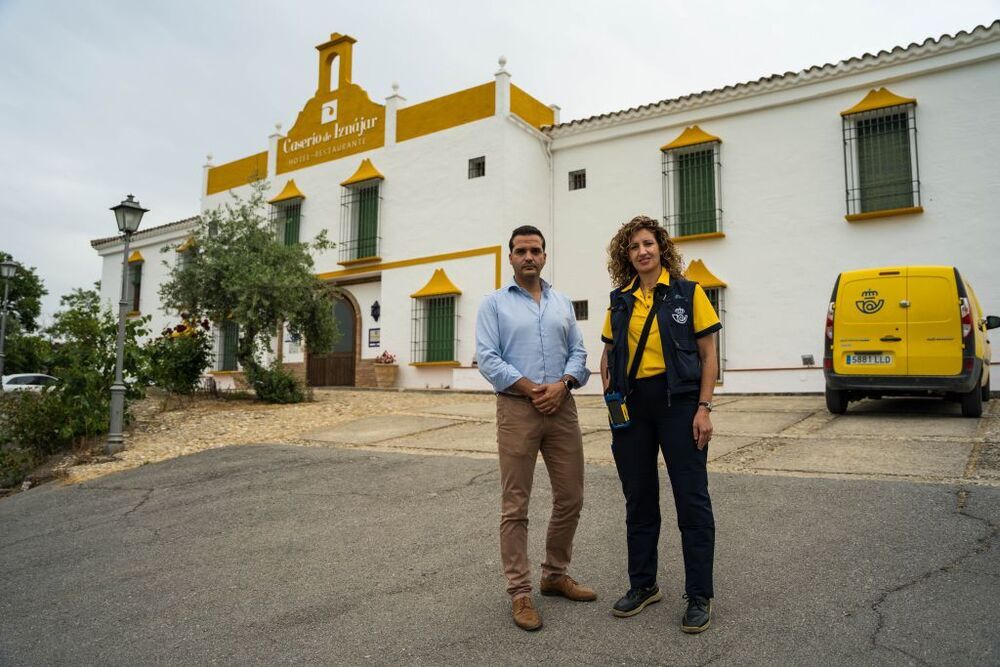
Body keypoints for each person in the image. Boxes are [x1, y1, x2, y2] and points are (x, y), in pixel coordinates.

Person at [599, 215, 721, 633]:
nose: (642, 251)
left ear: (661, 248)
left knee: (691, 499)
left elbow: (709, 355)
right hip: (634, 409)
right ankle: (643, 585)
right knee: (639, 499)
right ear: (626, 255)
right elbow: (609, 353)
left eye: (648, 243)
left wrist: (704, 407)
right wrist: (611, 397)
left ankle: (699, 595)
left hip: (680, 404)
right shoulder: (619, 300)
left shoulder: (689, 294)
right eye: (634, 247)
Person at [475, 225, 594, 631]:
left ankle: (555, 574)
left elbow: (580, 353)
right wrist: (532, 389)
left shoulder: (561, 302)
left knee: (571, 496)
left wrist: (562, 386)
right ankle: (520, 592)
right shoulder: (493, 305)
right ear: (510, 257)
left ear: (545, 256)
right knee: (516, 505)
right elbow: (488, 359)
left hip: (562, 409)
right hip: (517, 410)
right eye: (521, 251)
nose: (529, 256)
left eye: (536, 250)